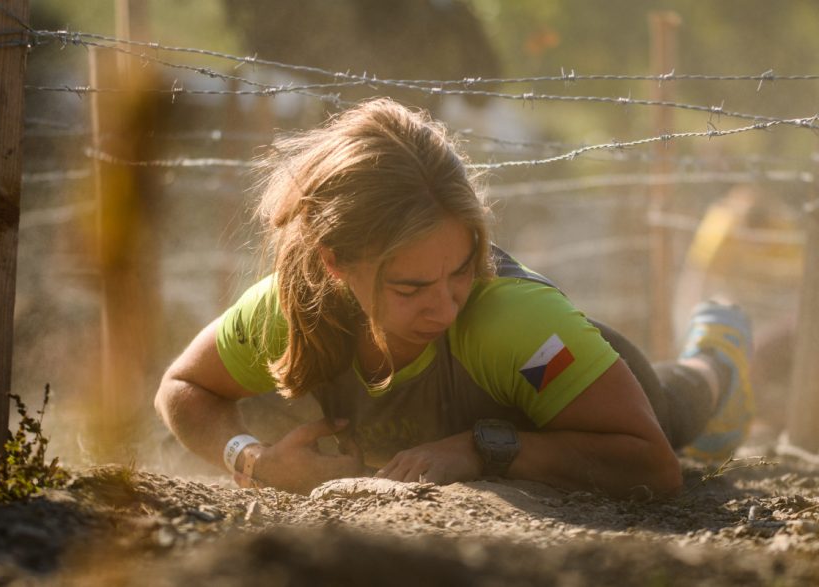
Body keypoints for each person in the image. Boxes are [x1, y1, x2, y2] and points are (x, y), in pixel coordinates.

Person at [155, 98, 754, 499]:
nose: (445, 308)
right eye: (410, 287)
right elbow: (182, 389)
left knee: (678, 408)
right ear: (334, 264)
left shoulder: (512, 324)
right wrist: (253, 460)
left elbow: (652, 467)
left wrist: (483, 449)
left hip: (554, 373)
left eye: (462, 270)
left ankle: (719, 351)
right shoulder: (293, 308)